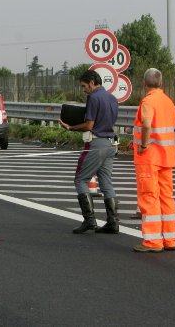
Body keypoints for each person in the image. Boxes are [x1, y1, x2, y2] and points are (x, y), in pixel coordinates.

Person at [59, 70, 119, 234]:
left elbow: (89, 125)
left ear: (92, 82)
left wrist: (70, 127)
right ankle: (113, 222)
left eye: (84, 86)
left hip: (96, 142)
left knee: (80, 179)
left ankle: (89, 220)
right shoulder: (112, 98)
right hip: (111, 143)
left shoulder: (93, 97)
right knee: (106, 182)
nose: (83, 89)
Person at [132, 68, 175, 253]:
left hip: (150, 157)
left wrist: (143, 145)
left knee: (149, 196)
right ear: (160, 83)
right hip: (166, 156)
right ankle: (169, 239)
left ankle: (152, 242)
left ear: (144, 83)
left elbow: (147, 123)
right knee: (167, 197)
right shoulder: (168, 101)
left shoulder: (148, 101)